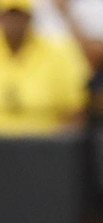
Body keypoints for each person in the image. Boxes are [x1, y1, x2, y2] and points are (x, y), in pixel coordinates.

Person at [0, 0, 89, 136]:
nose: (14, 22)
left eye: (20, 16)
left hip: (46, 144)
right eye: (9, 15)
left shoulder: (57, 52)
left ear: (30, 18)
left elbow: (76, 108)